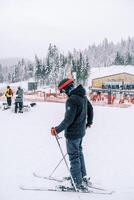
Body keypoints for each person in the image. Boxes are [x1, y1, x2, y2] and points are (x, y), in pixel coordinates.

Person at [50, 78, 93, 191]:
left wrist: (57, 129)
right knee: (79, 154)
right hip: (80, 132)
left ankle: (76, 183)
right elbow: (90, 109)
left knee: (74, 157)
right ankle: (81, 177)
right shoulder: (82, 96)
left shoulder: (72, 100)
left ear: (66, 89)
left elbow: (68, 120)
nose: (64, 94)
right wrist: (89, 122)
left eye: (63, 92)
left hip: (73, 134)